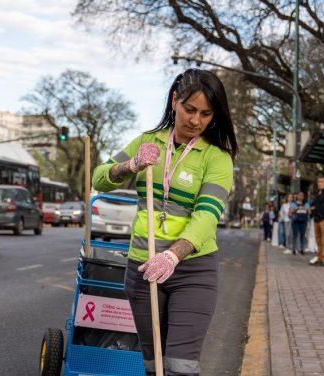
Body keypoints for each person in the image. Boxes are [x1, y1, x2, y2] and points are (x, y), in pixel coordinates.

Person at [92, 68, 238, 375]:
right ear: (175, 101)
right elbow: (99, 180)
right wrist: (130, 165)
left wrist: (173, 255)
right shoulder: (147, 141)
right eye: (189, 109)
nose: (195, 121)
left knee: (180, 367)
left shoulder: (216, 157)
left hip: (193, 270)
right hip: (142, 269)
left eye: (206, 114)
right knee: (153, 364)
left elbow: (207, 215)